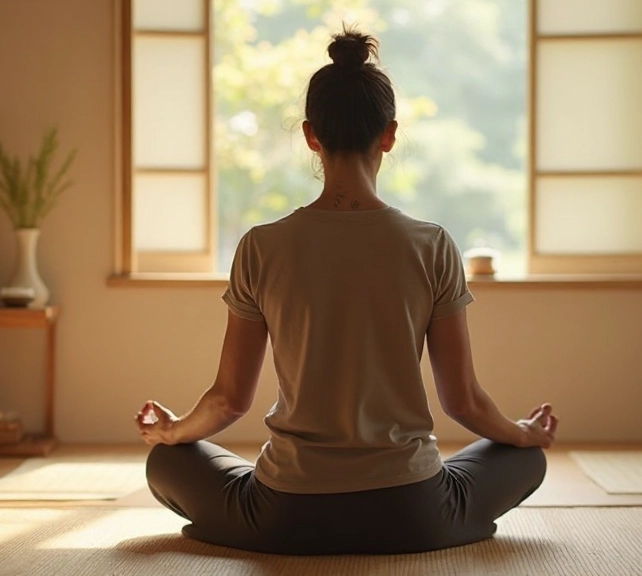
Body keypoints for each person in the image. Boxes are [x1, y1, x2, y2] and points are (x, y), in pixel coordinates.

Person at [136, 28, 558, 556]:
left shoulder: (261, 246)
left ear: (312, 135)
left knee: (168, 460)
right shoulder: (432, 245)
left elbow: (228, 401)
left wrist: (175, 431)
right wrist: (522, 434)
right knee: (526, 457)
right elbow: (464, 402)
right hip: (413, 512)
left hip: (286, 514)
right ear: (390, 134)